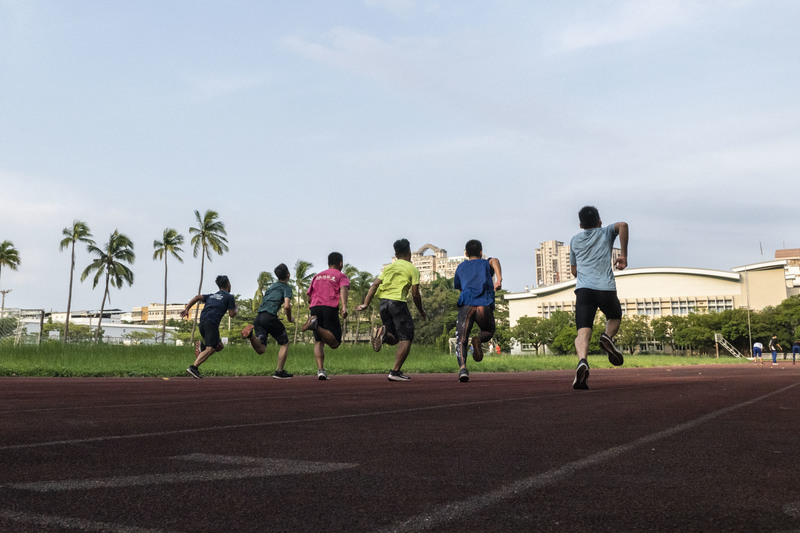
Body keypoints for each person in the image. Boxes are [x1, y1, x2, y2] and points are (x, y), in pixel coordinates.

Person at [569, 206, 628, 390]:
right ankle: (607, 336)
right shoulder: (605, 232)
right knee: (614, 317)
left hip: (584, 290)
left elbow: (574, 271)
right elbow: (623, 225)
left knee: (583, 331)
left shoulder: (574, 240)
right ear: (599, 221)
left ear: (580, 224)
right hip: (605, 288)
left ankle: (582, 361)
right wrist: (624, 255)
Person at [356, 238, 426, 382]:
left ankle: (383, 334)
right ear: (409, 252)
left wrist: (365, 304)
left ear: (396, 253)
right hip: (397, 303)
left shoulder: (388, 268)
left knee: (393, 339)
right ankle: (395, 371)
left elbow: (374, 285)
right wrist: (421, 311)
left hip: (384, 304)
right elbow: (415, 294)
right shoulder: (412, 269)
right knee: (407, 337)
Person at [452, 239, 502, 383]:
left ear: (466, 253)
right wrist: (499, 279)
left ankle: (462, 369)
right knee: (489, 331)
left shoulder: (460, 267)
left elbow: (460, 288)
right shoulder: (486, 263)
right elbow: (495, 261)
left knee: (461, 339)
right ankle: (478, 339)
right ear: (481, 252)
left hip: (466, 304)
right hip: (483, 304)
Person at [301, 252, 350, 380]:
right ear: (340, 263)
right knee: (335, 343)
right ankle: (315, 326)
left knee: (319, 341)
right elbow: (343, 289)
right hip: (329, 307)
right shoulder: (341, 275)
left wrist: (313, 305)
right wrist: (344, 307)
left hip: (315, 307)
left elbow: (309, 296)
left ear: (328, 263)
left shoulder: (317, 276)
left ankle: (321, 370)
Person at [241, 263, 295, 379]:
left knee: (261, 349)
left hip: (259, 318)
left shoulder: (271, 288)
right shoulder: (286, 288)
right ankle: (279, 371)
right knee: (284, 343)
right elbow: (287, 306)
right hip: (269, 318)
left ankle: (251, 336)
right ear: (288, 275)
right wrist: (290, 319)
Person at [180, 275, 238, 379]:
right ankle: (193, 367)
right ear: (228, 284)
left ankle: (202, 348)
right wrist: (236, 309)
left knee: (219, 346)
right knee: (210, 349)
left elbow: (197, 297)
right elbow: (232, 314)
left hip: (202, 323)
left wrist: (187, 308)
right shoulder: (229, 297)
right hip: (212, 323)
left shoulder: (211, 296)